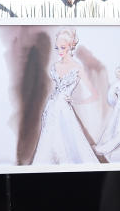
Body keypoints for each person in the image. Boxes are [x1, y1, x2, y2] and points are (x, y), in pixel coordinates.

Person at [31, 29, 101, 165]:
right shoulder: (55, 66)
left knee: (69, 143)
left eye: (63, 47)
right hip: (51, 109)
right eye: (58, 48)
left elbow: (94, 94)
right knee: (48, 143)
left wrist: (76, 101)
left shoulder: (77, 68)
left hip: (64, 110)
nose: (60, 51)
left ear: (70, 46)